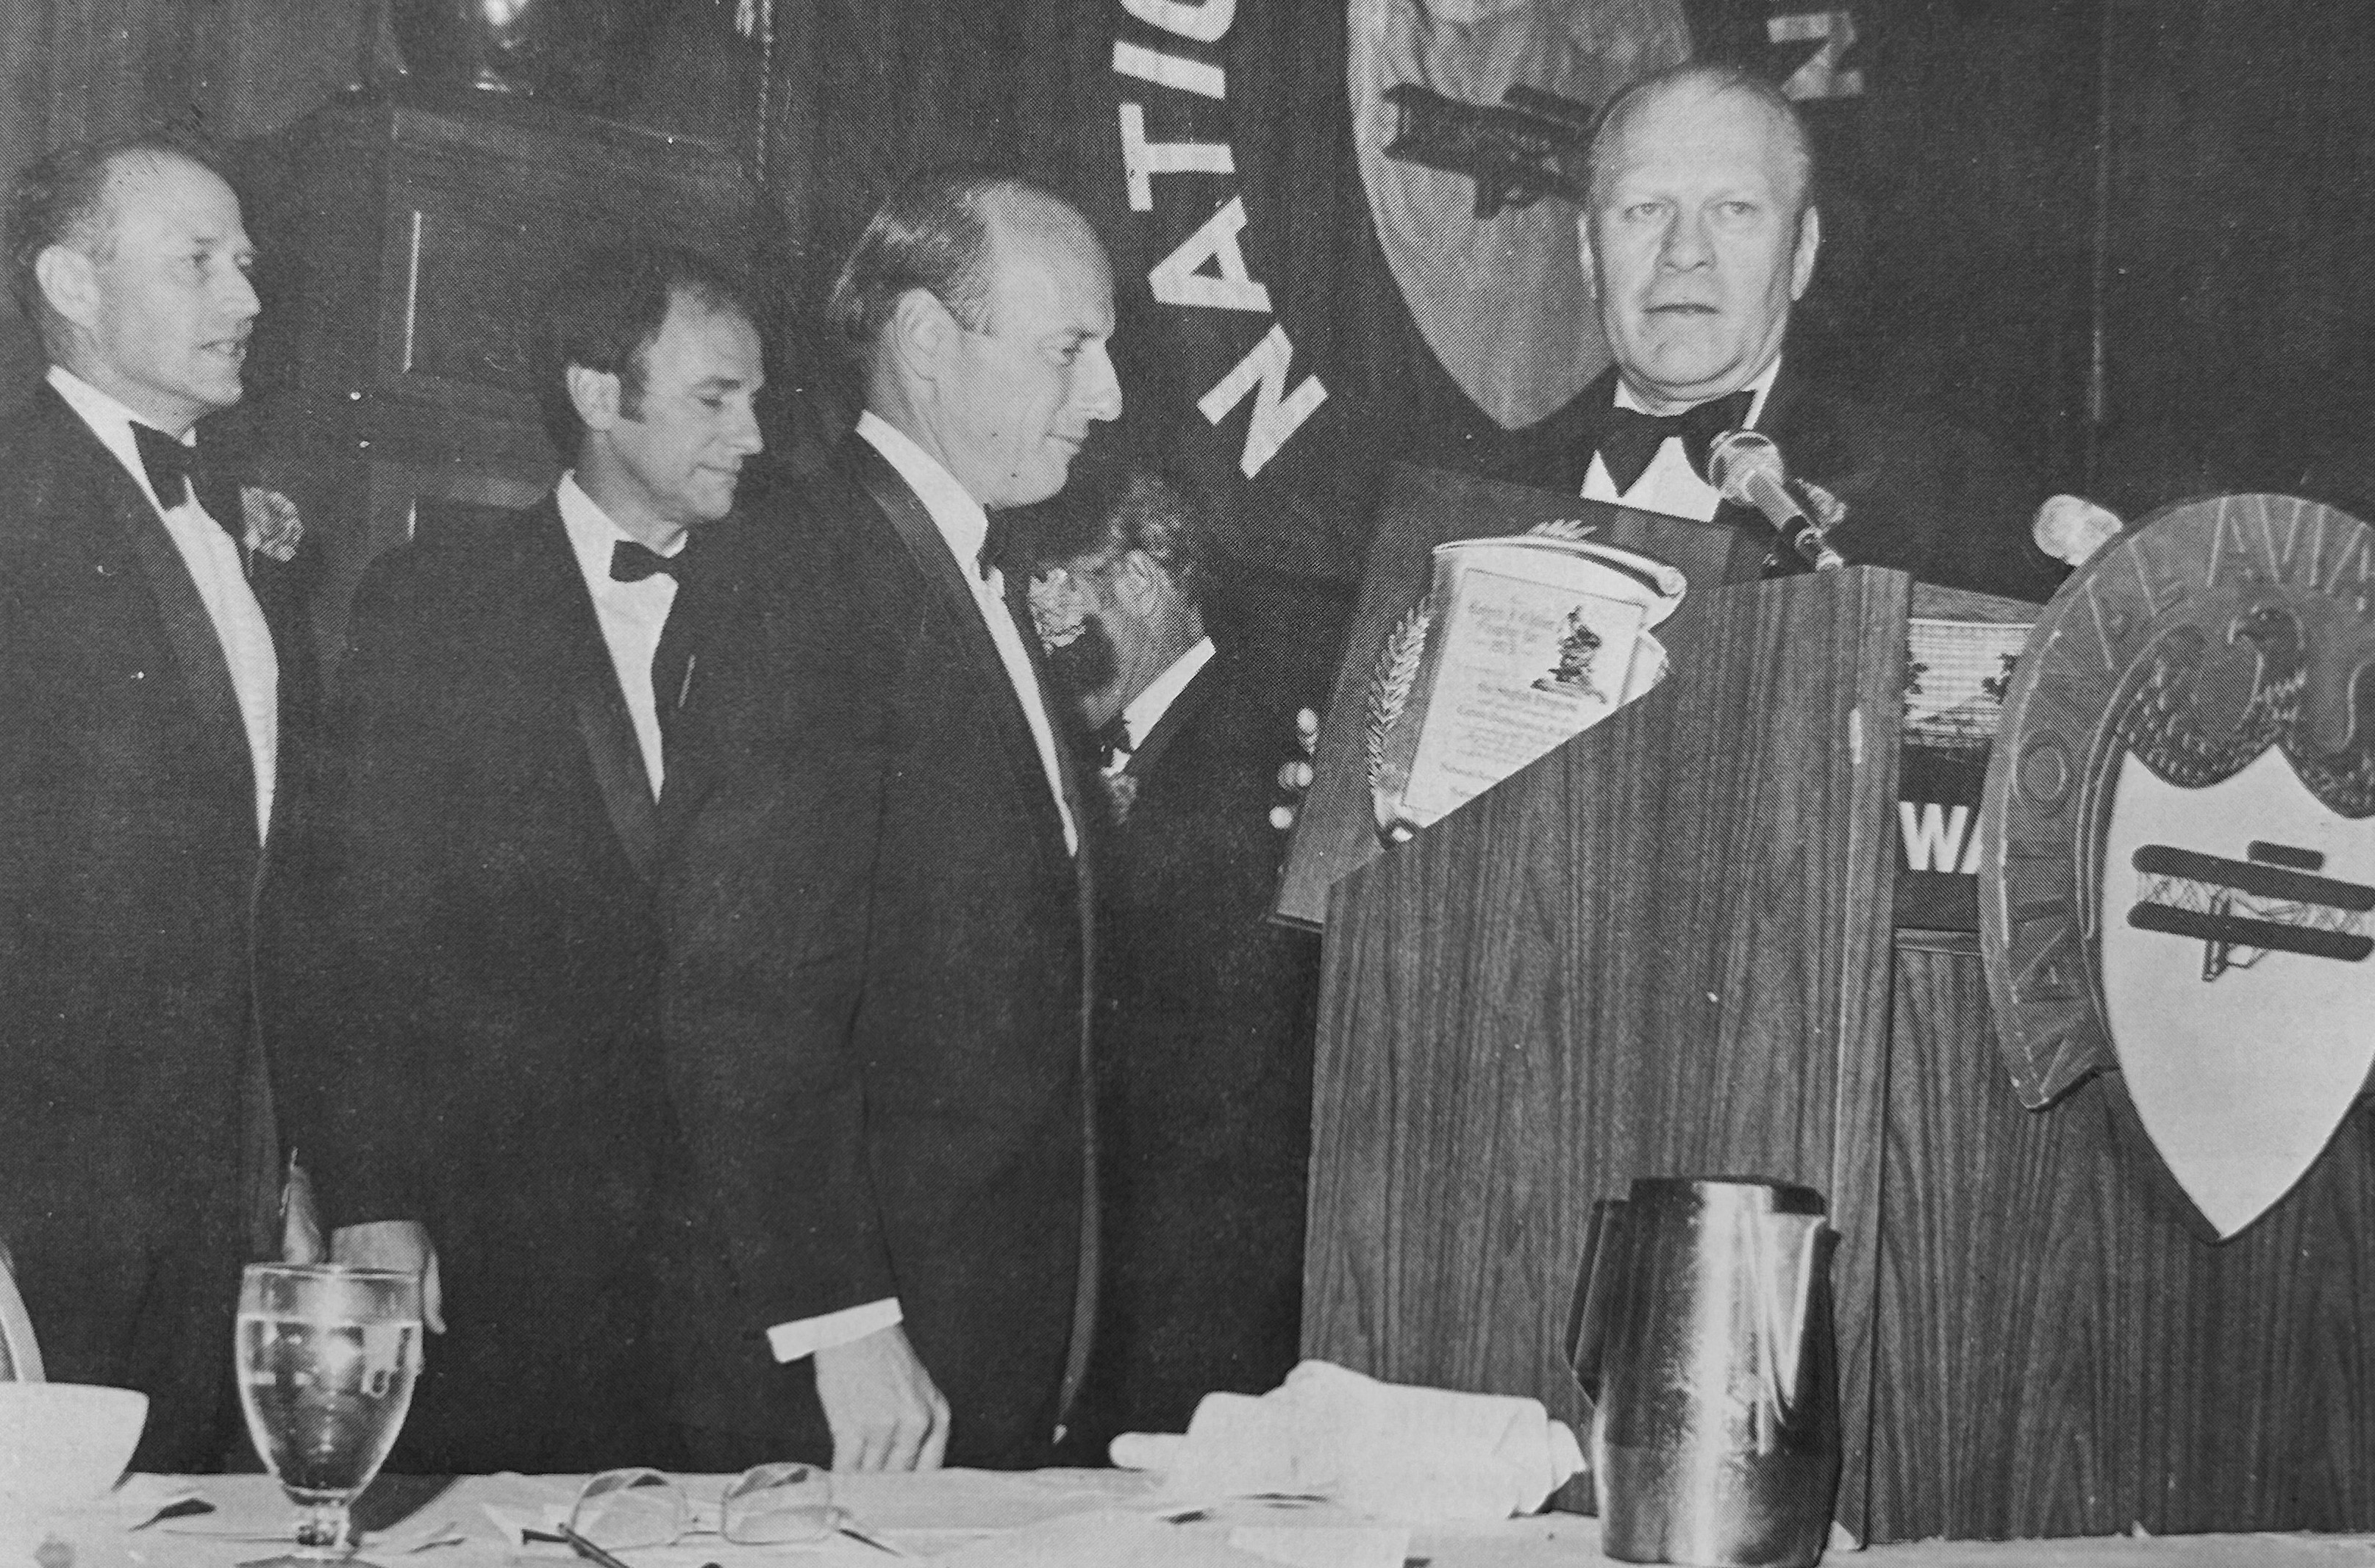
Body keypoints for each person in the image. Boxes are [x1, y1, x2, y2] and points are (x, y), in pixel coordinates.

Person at [265, 243, 763, 1472]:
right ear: (600, 394)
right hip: (507, 1242)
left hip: (741, 1259)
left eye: (757, 399)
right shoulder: (438, 601)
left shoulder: (787, 608)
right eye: (716, 397)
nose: (753, 434)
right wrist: (371, 1193)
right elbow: (350, 917)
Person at [659, 168, 1118, 1471]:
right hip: (865, 1368)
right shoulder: (804, 562)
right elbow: (742, 984)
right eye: (1070, 351)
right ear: (925, 341)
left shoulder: (951, 565)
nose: (1108, 398)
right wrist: (843, 1317)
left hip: (979, 1329)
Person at [0, 135, 313, 1469]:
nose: (245, 297)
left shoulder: (247, 526)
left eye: (244, 262)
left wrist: (291, 1157)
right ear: (72, 280)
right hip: (46, 1203)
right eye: (197, 263)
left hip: (220, 1192)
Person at [1499, 60, 2065, 603]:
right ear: (1589, 256)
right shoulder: (1483, 484)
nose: (1685, 252)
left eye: (1735, 209)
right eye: (1646, 209)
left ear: (1802, 252)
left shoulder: (1944, 501)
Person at [1017, 466, 1324, 1454]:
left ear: (1145, 582)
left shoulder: (1271, 741)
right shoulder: (1092, 749)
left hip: (1208, 1278)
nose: (1038, 615)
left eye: (1055, 580)